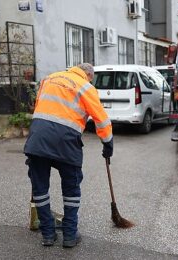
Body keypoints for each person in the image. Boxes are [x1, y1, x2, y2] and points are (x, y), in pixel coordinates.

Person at [24, 63, 113, 248]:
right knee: (71, 188)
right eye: (91, 78)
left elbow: (39, 106)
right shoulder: (86, 87)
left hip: (38, 138)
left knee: (40, 188)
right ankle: (70, 236)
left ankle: (48, 235)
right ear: (88, 75)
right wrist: (107, 143)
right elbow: (101, 119)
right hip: (66, 141)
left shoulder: (49, 78)